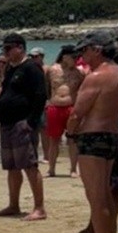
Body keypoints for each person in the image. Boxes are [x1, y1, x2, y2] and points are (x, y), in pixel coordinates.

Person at [64, 32, 118, 233]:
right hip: (111, 134)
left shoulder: (96, 76)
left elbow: (77, 112)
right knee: (106, 194)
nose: (82, 54)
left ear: (97, 49)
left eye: (85, 50)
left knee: (96, 195)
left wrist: (70, 133)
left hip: (93, 136)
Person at [0, 33, 47, 222]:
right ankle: (13, 204)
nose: (5, 52)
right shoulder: (10, 69)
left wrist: (31, 122)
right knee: (12, 167)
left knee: (29, 165)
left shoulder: (31, 68)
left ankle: (39, 208)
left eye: (8, 48)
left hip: (21, 123)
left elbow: (40, 95)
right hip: (7, 124)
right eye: (3, 49)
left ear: (20, 48)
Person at [44, 46, 84, 177]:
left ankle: (73, 169)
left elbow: (83, 90)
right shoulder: (52, 70)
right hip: (54, 107)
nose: (77, 60)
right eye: (74, 57)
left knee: (72, 139)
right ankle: (51, 169)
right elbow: (46, 88)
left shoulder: (80, 72)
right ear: (65, 56)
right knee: (53, 140)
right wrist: (48, 102)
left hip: (71, 107)